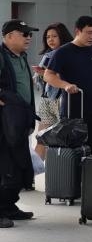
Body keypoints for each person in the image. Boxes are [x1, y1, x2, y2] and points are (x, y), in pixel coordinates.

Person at [44, 15, 92, 154]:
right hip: (73, 109)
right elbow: (48, 75)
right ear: (78, 31)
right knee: (75, 150)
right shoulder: (63, 52)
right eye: (88, 33)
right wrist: (65, 85)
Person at [0, 20, 40, 226]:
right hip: (4, 125)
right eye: (23, 33)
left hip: (20, 121)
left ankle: (8, 207)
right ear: (8, 36)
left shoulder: (22, 57)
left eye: (29, 34)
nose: (28, 37)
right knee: (6, 170)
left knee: (21, 168)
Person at [33, 22, 73, 159]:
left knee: (61, 140)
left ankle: (61, 172)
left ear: (62, 37)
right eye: (48, 37)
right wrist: (41, 74)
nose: (50, 39)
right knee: (41, 138)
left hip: (61, 99)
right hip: (47, 99)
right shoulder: (48, 55)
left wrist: (47, 74)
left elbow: (67, 76)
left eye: (54, 36)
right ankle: (32, 175)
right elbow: (43, 79)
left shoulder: (68, 53)